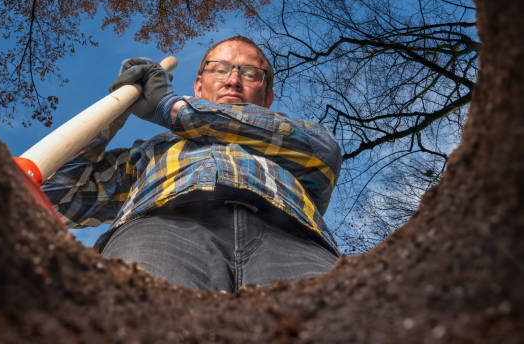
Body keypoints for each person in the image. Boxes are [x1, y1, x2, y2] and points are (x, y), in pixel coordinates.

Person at [42, 35, 342, 292]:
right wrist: (116, 112)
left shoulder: (302, 139)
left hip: (293, 239)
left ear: (268, 96)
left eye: (250, 73)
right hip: (162, 231)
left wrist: (171, 109)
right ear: (199, 86)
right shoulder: (153, 153)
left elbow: (324, 153)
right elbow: (59, 198)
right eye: (220, 69)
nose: (233, 80)